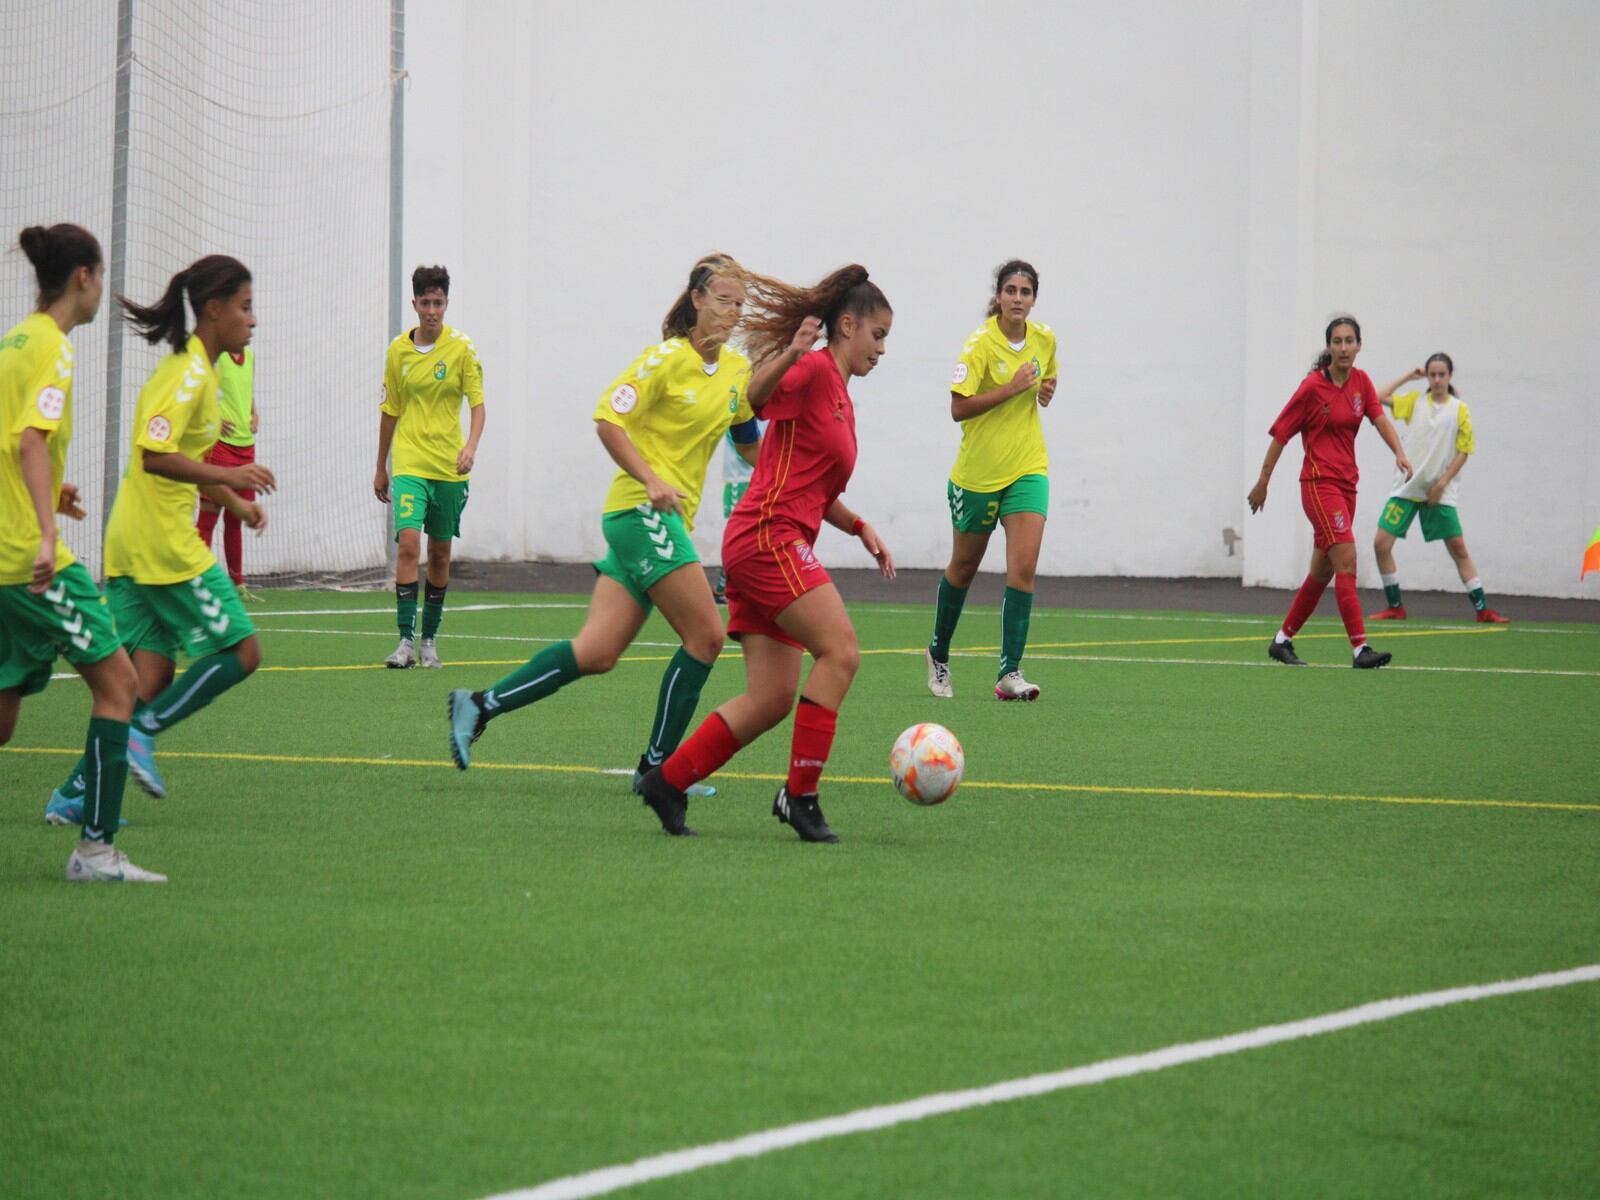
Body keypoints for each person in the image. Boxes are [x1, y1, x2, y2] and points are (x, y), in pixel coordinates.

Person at [447, 254, 759, 796]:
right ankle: (659, 771)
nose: (733, 312)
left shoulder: (736, 371)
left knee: (597, 652)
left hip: (661, 523)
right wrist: (651, 478)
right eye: (724, 300)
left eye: (740, 303)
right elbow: (607, 420)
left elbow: (751, 445)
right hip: (640, 511)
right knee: (707, 636)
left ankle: (479, 705)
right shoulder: (664, 359)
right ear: (698, 299)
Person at [637, 264, 896, 842]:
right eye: (877, 336)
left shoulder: (842, 398)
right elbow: (749, 402)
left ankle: (666, 782)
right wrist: (793, 352)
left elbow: (815, 486)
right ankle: (799, 797)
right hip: (766, 537)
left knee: (772, 697)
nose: (882, 349)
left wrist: (858, 527)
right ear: (847, 325)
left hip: (773, 541)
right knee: (842, 652)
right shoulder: (811, 369)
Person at [49, 255, 276, 814]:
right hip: (161, 545)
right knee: (243, 651)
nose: (253, 320)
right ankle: (142, 733)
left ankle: (75, 794)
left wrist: (234, 504)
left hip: (135, 541)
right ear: (214, 309)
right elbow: (156, 457)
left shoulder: (205, 371)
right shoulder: (189, 375)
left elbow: (184, 458)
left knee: (144, 678)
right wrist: (230, 475)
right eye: (245, 308)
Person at [0, 224, 157, 881]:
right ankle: (95, 850)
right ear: (83, 278)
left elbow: (14, 445)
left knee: (3, 715)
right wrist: (43, 529)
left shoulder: (14, 342)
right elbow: (30, 440)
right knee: (120, 685)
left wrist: (47, 494)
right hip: (29, 562)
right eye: (102, 275)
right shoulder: (56, 351)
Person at [925, 259, 1058, 700]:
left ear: (1034, 298)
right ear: (998, 296)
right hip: (978, 476)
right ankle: (939, 652)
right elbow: (957, 408)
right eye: (1011, 291)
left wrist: (1044, 389)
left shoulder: (1044, 339)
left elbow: (1048, 376)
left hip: (1027, 467)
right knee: (964, 568)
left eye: (1026, 291)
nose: (1018, 298)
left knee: (1024, 566)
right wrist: (1014, 388)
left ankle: (1009, 673)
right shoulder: (979, 344)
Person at [1248, 314, 1413, 668]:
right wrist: (1263, 482)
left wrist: (1399, 452)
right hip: (1319, 485)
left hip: (1347, 486)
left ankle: (1282, 641)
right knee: (1347, 559)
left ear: (1358, 345)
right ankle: (1360, 649)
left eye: (1349, 341)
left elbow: (1380, 420)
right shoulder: (1312, 388)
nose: (1343, 347)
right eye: (1336, 341)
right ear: (1329, 346)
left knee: (1322, 572)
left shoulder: (1361, 382)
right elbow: (1280, 434)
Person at [374, 265, 484, 668]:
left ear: (446, 304)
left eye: (439, 302)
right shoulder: (397, 351)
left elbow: (478, 404)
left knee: (439, 554)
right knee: (408, 543)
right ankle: (404, 643)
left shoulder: (462, 349)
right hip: (409, 462)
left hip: (450, 467)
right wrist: (381, 466)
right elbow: (390, 410)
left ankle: (429, 642)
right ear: (415, 304)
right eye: (426, 303)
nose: (432, 310)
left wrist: (470, 446)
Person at [1369, 354, 1508, 623]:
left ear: (1449, 376)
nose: (1435, 380)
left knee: (1458, 547)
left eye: (1441, 374)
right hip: (1408, 488)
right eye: (1431, 375)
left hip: (1439, 491)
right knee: (1381, 544)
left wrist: (1441, 484)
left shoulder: (1459, 409)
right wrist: (1409, 376)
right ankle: (1395, 606)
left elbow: (1464, 451)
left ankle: (1482, 609)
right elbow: (1377, 396)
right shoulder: (1415, 403)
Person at [195, 343, 260, 598]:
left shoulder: (250, 356)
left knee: (236, 518)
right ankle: (198, 580)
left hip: (246, 446)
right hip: (219, 445)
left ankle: (237, 584)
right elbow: (200, 391)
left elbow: (248, 393)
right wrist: (213, 417)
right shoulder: (217, 356)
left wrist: (255, 414)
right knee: (209, 515)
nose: (249, 322)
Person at [714, 416, 765, 603]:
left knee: (755, 536)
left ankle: (733, 586)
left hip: (757, 478)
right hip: (740, 480)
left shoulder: (768, 412)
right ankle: (723, 587)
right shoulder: (742, 410)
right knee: (739, 536)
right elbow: (741, 442)